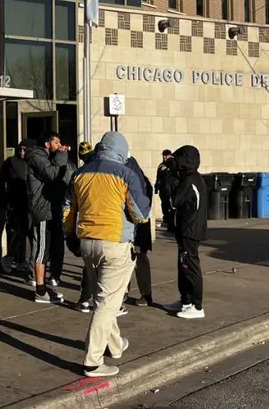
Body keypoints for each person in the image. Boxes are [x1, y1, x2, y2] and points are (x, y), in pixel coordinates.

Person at [66, 131, 151, 377]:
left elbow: (68, 210)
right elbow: (139, 214)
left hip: (86, 242)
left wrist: (70, 235)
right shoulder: (126, 174)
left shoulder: (80, 174)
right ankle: (92, 362)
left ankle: (115, 346)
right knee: (105, 303)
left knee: (105, 297)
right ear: (121, 151)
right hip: (115, 242)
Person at [165, 145, 208, 320]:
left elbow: (173, 200)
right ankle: (186, 300)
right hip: (186, 227)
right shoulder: (191, 178)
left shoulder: (190, 181)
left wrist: (170, 177)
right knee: (183, 265)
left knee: (190, 266)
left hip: (190, 230)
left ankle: (197, 306)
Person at [25, 131, 66, 304]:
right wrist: (62, 156)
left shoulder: (47, 157)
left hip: (50, 209)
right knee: (41, 250)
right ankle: (40, 290)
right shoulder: (37, 157)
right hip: (42, 210)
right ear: (48, 144)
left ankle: (43, 286)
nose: (59, 145)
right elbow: (53, 174)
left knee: (48, 249)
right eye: (56, 142)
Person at [125, 155, 155, 308]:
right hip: (142, 225)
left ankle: (124, 294)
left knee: (126, 260)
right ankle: (146, 294)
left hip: (133, 225)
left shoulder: (128, 177)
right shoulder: (143, 181)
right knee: (140, 258)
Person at [0, 140, 33, 276]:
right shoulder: (11, 162)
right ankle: (11, 258)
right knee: (17, 232)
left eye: (25, 150)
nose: (22, 152)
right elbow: (2, 180)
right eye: (20, 149)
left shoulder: (33, 163)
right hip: (15, 202)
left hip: (30, 203)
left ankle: (23, 261)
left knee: (28, 233)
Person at [46, 146, 76, 288]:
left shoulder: (49, 164)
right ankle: (55, 275)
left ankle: (50, 273)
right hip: (61, 208)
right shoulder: (70, 166)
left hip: (49, 207)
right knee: (57, 244)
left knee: (47, 243)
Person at [155, 150, 176, 231]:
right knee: (164, 205)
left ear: (170, 155)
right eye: (163, 155)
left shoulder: (173, 164)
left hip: (170, 189)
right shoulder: (161, 165)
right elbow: (158, 177)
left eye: (166, 155)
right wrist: (156, 187)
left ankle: (171, 223)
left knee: (171, 206)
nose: (164, 157)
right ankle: (167, 220)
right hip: (163, 189)